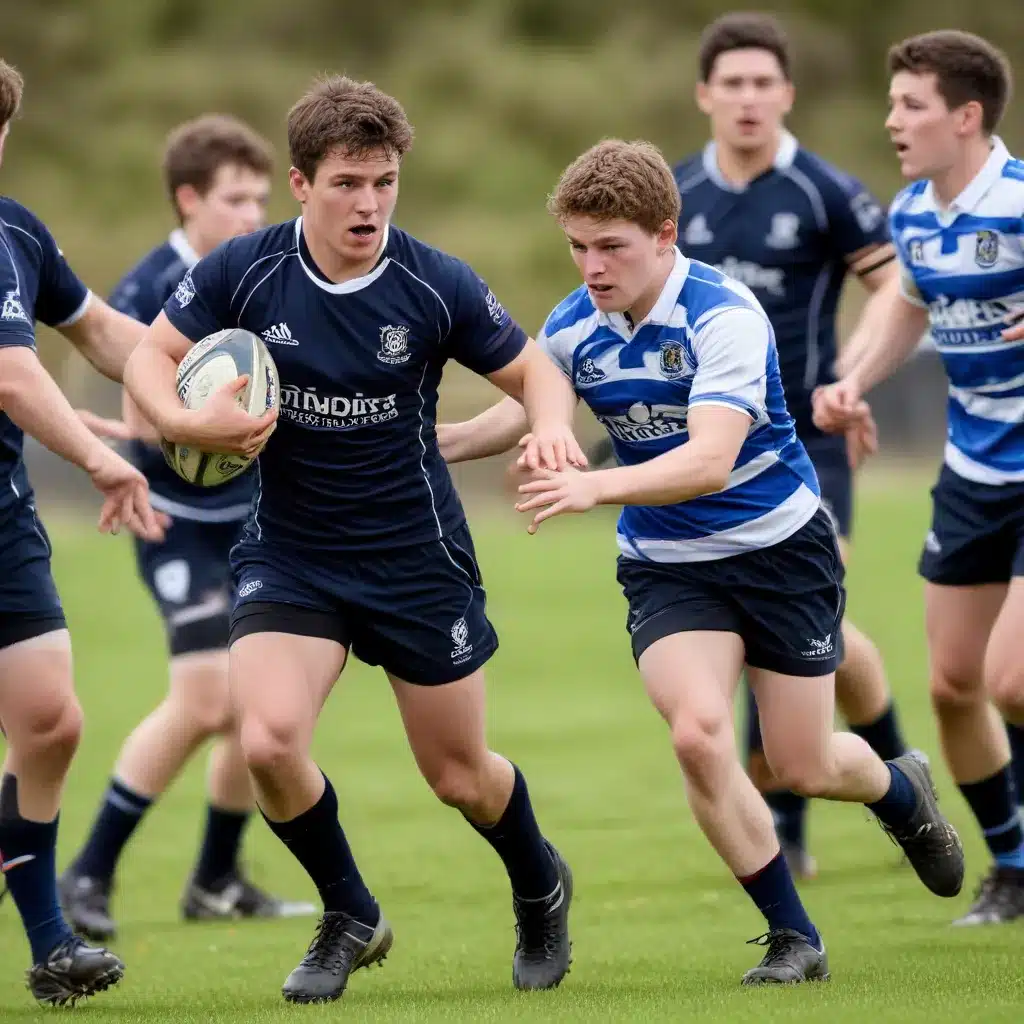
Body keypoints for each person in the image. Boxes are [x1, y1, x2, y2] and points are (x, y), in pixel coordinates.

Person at [438, 138, 964, 985]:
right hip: (669, 564)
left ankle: (903, 793)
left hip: (779, 551)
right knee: (697, 735)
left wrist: (595, 488)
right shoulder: (576, 320)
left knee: (804, 764)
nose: (593, 266)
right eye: (578, 246)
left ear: (665, 235)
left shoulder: (724, 315)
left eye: (612, 246)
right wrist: (445, 442)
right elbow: (539, 406)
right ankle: (795, 936)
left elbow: (709, 461)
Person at [120, 75, 580, 1004]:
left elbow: (538, 371)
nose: (368, 203)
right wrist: (187, 422)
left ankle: (539, 880)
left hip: (417, 556)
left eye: (383, 181)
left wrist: (552, 427)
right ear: (300, 183)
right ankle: (348, 911)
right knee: (269, 740)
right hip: (292, 550)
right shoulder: (244, 269)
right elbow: (146, 354)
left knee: (459, 777)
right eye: (346, 183)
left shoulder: (432, 280)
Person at [590, 11, 913, 878]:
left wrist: (852, 377)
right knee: (751, 635)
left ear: (786, 95)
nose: (747, 98)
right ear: (704, 95)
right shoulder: (674, 196)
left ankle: (869, 767)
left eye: (763, 83)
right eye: (730, 83)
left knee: (814, 625)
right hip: (700, 440)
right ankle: (805, 812)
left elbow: (893, 290)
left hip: (805, 436)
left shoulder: (825, 191)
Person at [60, 114, 315, 942]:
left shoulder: (263, 273)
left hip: (259, 525)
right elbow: (138, 401)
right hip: (176, 522)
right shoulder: (150, 288)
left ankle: (215, 877)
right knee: (209, 695)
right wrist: (178, 428)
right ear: (188, 200)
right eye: (234, 199)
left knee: (260, 703)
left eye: (259, 198)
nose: (251, 214)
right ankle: (87, 874)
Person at [814, 29, 1024, 925]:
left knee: (1013, 680)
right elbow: (905, 307)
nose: (893, 120)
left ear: (966, 116)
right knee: (951, 684)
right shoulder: (913, 214)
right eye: (894, 103)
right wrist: (852, 381)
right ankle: (1013, 868)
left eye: (912, 105)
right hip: (975, 467)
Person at [0, 58, 163, 1005]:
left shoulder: (16, 231)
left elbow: (104, 335)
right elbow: (14, 379)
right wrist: (102, 457)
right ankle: (55, 935)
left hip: (0, 512)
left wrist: (208, 372)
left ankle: (51, 948)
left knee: (50, 721)